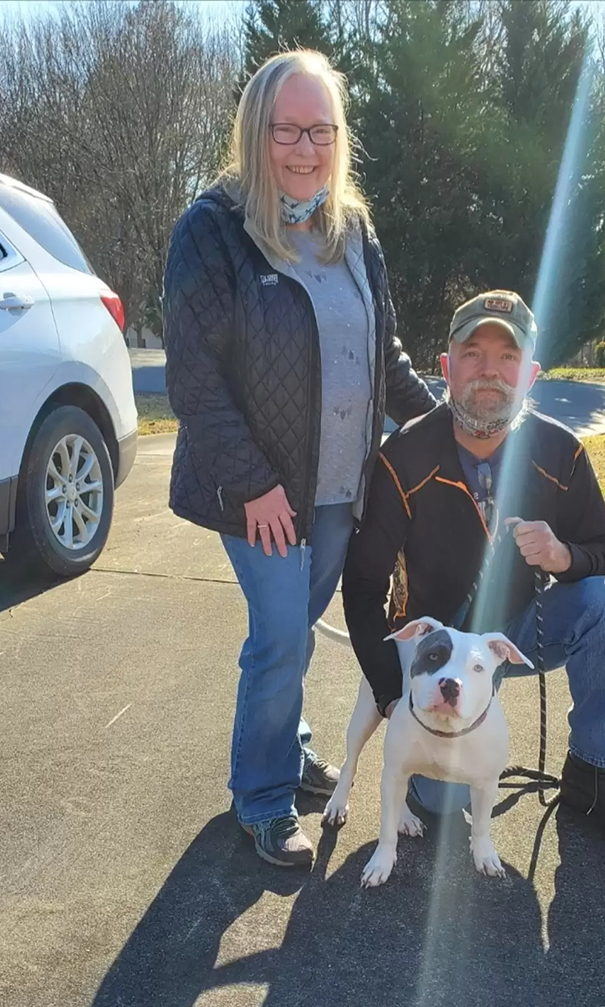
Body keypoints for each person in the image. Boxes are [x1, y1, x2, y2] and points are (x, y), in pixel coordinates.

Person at [162, 50, 438, 867]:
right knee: (281, 635)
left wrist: (447, 429)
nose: (306, 148)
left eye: (322, 129)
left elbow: (384, 356)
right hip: (260, 491)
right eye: (288, 129)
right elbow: (194, 378)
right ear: (257, 131)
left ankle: (287, 747)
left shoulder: (351, 228)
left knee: (299, 635)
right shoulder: (211, 230)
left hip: (338, 486)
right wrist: (251, 483)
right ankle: (261, 796)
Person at [341, 289, 605, 849]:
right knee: (444, 807)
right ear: (445, 367)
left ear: (531, 374)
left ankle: (595, 770)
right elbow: (365, 586)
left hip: (513, 632)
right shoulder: (404, 456)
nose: (489, 372)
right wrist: (396, 697)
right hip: (436, 646)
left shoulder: (561, 452)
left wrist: (564, 556)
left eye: (508, 357)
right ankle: (429, 766)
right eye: (472, 353)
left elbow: (604, 552)